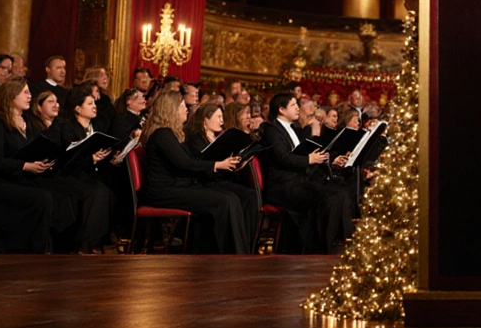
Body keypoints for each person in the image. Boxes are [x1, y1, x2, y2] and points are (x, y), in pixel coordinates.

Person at [140, 92, 251, 253]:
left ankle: (237, 253)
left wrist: (226, 162)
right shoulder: (162, 134)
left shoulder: (173, 134)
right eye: (183, 106)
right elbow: (184, 163)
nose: (186, 109)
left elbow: (192, 159)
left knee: (231, 198)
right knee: (224, 201)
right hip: (164, 191)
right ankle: (232, 255)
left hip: (179, 186)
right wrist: (218, 164)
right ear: (171, 109)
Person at [0, 78, 58, 253]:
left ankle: (53, 247)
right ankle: (34, 250)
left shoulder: (26, 122)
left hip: (15, 178)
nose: (30, 96)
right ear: (11, 95)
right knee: (41, 198)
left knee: (58, 192)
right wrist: (25, 166)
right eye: (26, 92)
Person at [257, 91, 355, 253]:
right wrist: (309, 160)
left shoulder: (295, 129)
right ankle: (320, 249)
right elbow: (282, 157)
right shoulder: (271, 129)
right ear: (281, 109)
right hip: (285, 185)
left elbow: (305, 150)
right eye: (294, 105)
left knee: (341, 193)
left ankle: (336, 243)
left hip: (302, 180)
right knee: (328, 198)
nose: (298, 108)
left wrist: (327, 158)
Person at [41, 86, 114, 253]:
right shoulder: (67, 128)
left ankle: (93, 240)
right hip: (66, 175)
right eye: (89, 104)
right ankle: (86, 243)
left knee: (108, 190)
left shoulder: (95, 127)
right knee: (97, 191)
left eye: (94, 103)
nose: (94, 106)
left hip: (86, 174)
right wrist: (91, 158)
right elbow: (68, 159)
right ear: (77, 108)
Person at [182, 103, 260, 251]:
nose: (222, 121)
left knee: (251, 196)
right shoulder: (196, 140)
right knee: (233, 198)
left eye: (222, 117)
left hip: (220, 180)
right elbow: (199, 166)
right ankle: (235, 248)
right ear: (205, 120)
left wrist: (239, 162)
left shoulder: (219, 138)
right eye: (218, 117)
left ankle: (248, 245)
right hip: (205, 183)